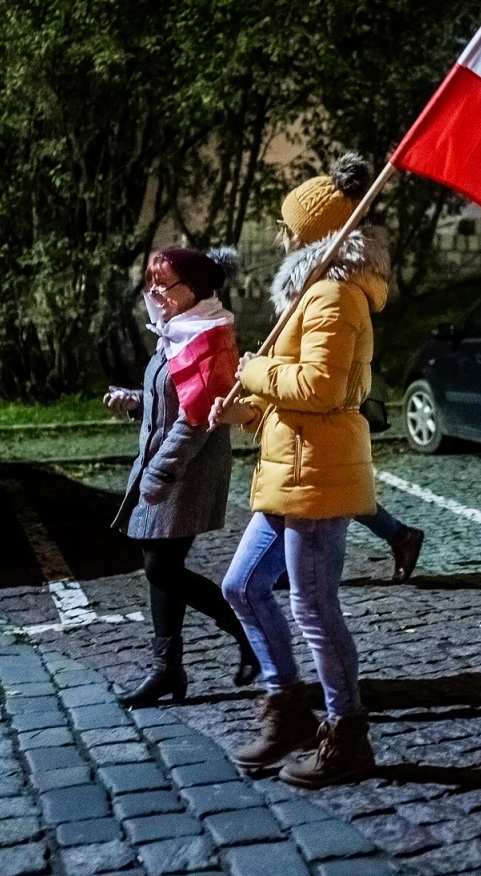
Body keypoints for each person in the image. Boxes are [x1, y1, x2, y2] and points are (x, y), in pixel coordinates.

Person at [211, 153, 387, 789]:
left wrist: (254, 372)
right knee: (242, 586)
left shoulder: (335, 296)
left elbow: (320, 388)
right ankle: (287, 709)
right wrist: (247, 412)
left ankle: (347, 734)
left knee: (313, 606)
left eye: (288, 226)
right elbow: (295, 396)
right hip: (290, 466)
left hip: (319, 472)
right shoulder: (310, 291)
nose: (280, 234)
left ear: (312, 233)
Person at [106, 246, 260, 708]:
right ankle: (167, 669)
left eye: (165, 284)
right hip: (166, 465)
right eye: (151, 282)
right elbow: (171, 396)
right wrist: (136, 401)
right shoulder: (176, 329)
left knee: (161, 567)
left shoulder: (208, 336)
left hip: (186, 472)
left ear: (193, 289)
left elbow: (196, 419)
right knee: (160, 566)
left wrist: (162, 472)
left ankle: (246, 632)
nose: (155, 292)